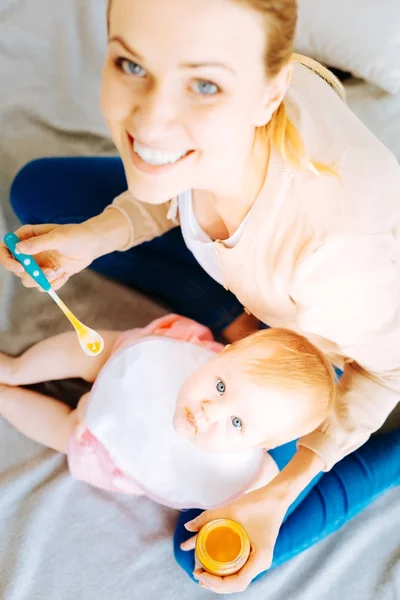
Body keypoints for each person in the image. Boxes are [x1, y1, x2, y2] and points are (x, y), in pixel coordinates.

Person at [1, 0, 399, 592]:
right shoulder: (225, 116)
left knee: (210, 548)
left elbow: (385, 375)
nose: (151, 124)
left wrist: (280, 492)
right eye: (132, 65)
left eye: (204, 85)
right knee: (39, 194)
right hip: (274, 291)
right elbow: (171, 183)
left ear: (271, 93)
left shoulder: (340, 255)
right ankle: (238, 319)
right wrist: (90, 239)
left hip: (365, 345)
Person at [0, 314, 335, 503]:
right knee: (97, 353)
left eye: (236, 422)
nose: (209, 410)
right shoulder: (176, 351)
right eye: (220, 386)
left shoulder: (248, 476)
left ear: (265, 445)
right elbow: (116, 354)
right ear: (222, 354)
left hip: (119, 450)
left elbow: (254, 504)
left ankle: (6, 398)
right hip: (135, 371)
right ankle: (16, 368)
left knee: (67, 430)